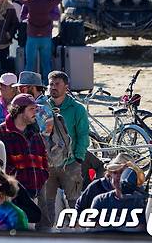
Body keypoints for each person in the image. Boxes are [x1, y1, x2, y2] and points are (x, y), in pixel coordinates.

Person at [44, 70, 89, 225]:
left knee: (74, 203)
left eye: (57, 84)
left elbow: (83, 135)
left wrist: (78, 158)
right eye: (51, 84)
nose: (53, 87)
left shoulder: (78, 109)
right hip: (48, 164)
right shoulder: (42, 107)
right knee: (47, 205)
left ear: (66, 87)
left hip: (70, 163)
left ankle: (80, 235)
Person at [0, 94, 49, 198]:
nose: (35, 112)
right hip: (13, 195)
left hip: (38, 193)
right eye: (31, 109)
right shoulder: (0, 133)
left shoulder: (35, 133)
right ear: (19, 111)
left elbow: (44, 159)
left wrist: (43, 176)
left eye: (36, 108)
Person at [18, 0, 62, 85]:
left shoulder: (30, 1)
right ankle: (48, 84)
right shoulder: (49, 2)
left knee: (30, 63)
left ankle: (26, 84)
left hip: (32, 36)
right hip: (46, 36)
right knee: (46, 63)